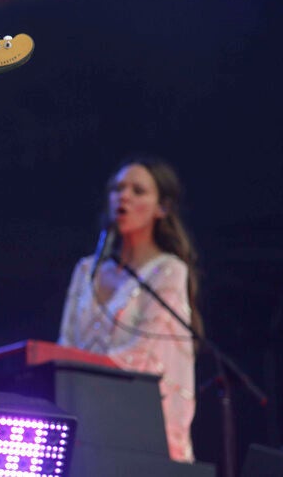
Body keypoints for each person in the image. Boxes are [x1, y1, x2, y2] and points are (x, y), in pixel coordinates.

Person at [58, 157, 202, 463]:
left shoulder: (167, 271)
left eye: (138, 191)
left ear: (161, 208)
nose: (123, 196)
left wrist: (80, 367)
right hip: (80, 419)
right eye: (117, 188)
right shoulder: (86, 270)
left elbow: (146, 358)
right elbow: (66, 344)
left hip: (133, 423)